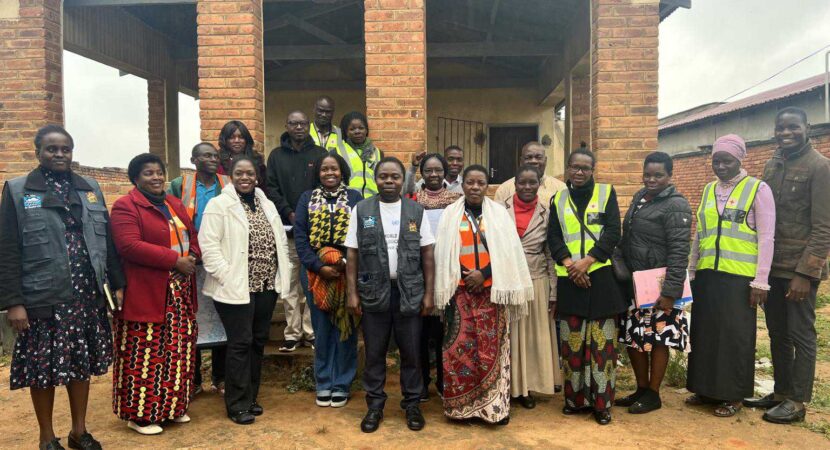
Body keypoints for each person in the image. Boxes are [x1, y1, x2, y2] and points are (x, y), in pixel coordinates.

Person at [0, 125, 125, 450]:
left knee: (80, 364)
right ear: (38, 151)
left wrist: (117, 283)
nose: (59, 154)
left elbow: (107, 241)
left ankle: (79, 432)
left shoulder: (89, 189)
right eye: (51, 149)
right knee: (44, 368)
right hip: (43, 296)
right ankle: (46, 436)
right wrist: (13, 301)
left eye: (65, 149)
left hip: (85, 296)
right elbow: (8, 248)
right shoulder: (17, 190)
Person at [745, 108, 830, 424]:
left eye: (793, 127)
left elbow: (823, 227)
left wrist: (806, 273)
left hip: (798, 271)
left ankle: (797, 400)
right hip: (773, 266)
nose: (785, 133)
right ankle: (780, 391)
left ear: (807, 128)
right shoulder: (773, 163)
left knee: (801, 333)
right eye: (780, 128)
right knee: (778, 332)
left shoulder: (820, 167)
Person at [433, 165, 534, 426]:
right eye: (470, 182)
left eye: (480, 183)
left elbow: (508, 254)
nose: (475, 187)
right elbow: (442, 255)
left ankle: (494, 409)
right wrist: (466, 277)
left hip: (491, 292)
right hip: (458, 294)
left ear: (487, 186)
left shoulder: (499, 214)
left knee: (492, 351)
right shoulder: (449, 214)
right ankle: (461, 409)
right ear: (462, 185)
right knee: (459, 351)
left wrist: (484, 274)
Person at [685, 135, 775, 418]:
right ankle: (705, 389)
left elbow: (767, 237)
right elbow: (700, 233)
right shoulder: (709, 190)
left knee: (734, 336)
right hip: (708, 275)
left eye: (727, 161)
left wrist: (761, 280)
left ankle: (733, 394)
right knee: (705, 332)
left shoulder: (757, 189)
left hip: (740, 278)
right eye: (716, 161)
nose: (721, 166)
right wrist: (691, 269)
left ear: (740, 160)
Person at [111, 153, 200, 435]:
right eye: (148, 173)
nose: (157, 177)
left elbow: (192, 234)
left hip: (179, 290)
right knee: (146, 352)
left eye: (159, 172)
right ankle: (140, 416)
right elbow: (129, 246)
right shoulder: (127, 206)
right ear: (136, 178)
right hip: (147, 292)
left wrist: (192, 257)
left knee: (177, 350)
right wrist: (174, 261)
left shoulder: (173, 203)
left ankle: (172, 408)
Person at [345, 157, 436, 433]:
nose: (389, 181)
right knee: (374, 353)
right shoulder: (362, 210)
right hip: (374, 293)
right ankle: (374, 406)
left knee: (411, 353)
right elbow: (352, 254)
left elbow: (428, 254)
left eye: (394, 177)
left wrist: (429, 294)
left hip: (409, 292)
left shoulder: (415, 210)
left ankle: (412, 404)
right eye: (383, 176)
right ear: (375, 179)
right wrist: (352, 294)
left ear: (402, 180)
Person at [199, 157, 291, 425]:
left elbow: (280, 242)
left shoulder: (267, 204)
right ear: (230, 176)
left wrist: (279, 275)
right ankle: (237, 404)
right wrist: (225, 275)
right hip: (234, 288)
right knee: (239, 343)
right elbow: (209, 245)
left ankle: (250, 397)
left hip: (264, 286)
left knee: (257, 342)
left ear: (256, 176)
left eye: (250, 173)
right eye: (239, 173)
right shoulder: (219, 205)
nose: (245, 177)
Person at [547, 148, 624, 425]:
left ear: (593, 170)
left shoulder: (606, 193)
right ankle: (575, 400)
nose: (579, 172)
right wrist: (571, 265)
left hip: (600, 278)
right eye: (574, 167)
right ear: (567, 168)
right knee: (572, 344)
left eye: (585, 168)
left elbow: (614, 231)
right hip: (570, 280)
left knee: (602, 346)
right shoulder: (558, 198)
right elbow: (553, 236)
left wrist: (587, 262)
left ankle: (602, 404)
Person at [616, 151, 692, 415]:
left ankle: (654, 393)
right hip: (637, 283)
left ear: (669, 176)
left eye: (658, 175)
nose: (651, 179)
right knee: (635, 337)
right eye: (647, 174)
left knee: (659, 339)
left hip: (659, 285)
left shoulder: (676, 204)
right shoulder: (640, 197)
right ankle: (640, 388)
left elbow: (680, 250)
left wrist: (670, 291)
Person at [294, 153, 363, 408]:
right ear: (318, 173)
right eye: (324, 169)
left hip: (347, 269)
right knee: (322, 329)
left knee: (345, 327)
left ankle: (342, 383)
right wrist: (318, 266)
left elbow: (361, 234)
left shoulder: (355, 198)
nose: (329, 173)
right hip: (315, 272)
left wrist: (343, 263)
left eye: (334, 168)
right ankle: (323, 382)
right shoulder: (306, 198)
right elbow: (300, 237)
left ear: (342, 171)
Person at [168, 142, 229, 397]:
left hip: (222, 261)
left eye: (215, 155)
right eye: (206, 155)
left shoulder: (227, 183)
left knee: (223, 317)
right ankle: (193, 380)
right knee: (192, 320)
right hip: (190, 263)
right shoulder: (179, 185)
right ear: (194, 159)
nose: (212, 159)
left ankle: (221, 378)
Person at [503, 165, 563, 410]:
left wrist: (553, 291)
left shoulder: (548, 212)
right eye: (522, 183)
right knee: (508, 336)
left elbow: (551, 254)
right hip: (506, 281)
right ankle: (506, 386)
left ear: (539, 184)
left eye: (532, 183)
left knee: (530, 338)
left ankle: (526, 387)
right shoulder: (499, 210)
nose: (527, 187)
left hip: (536, 278)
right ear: (514, 184)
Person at [266, 110, 326, 351]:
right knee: (290, 285)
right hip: (287, 230)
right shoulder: (276, 156)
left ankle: (310, 332)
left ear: (308, 126)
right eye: (293, 123)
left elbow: (324, 185)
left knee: (311, 283)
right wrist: (289, 211)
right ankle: (292, 333)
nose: (298, 127)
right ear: (287, 126)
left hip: (314, 232)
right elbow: (271, 188)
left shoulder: (320, 154)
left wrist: (305, 215)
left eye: (302, 123)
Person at [407, 153, 462, 402]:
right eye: (428, 170)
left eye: (438, 170)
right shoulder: (412, 201)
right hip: (419, 275)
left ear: (444, 171)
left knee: (445, 334)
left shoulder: (456, 201)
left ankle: (444, 381)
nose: (433, 175)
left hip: (449, 275)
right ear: (421, 173)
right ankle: (420, 384)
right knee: (419, 333)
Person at [494, 141, 566, 206]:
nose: (533, 161)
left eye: (538, 157)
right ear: (521, 161)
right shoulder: (504, 190)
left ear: (545, 160)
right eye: (528, 157)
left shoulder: (561, 189)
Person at [336, 111, 382, 198]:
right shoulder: (337, 152)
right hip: (347, 201)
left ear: (366, 130)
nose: (357, 131)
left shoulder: (378, 153)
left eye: (361, 128)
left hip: (373, 201)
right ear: (345, 132)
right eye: (352, 129)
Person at [216, 120, 266, 186]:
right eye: (232, 137)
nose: (237, 141)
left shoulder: (256, 160)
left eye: (241, 137)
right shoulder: (217, 161)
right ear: (225, 140)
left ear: (247, 140)